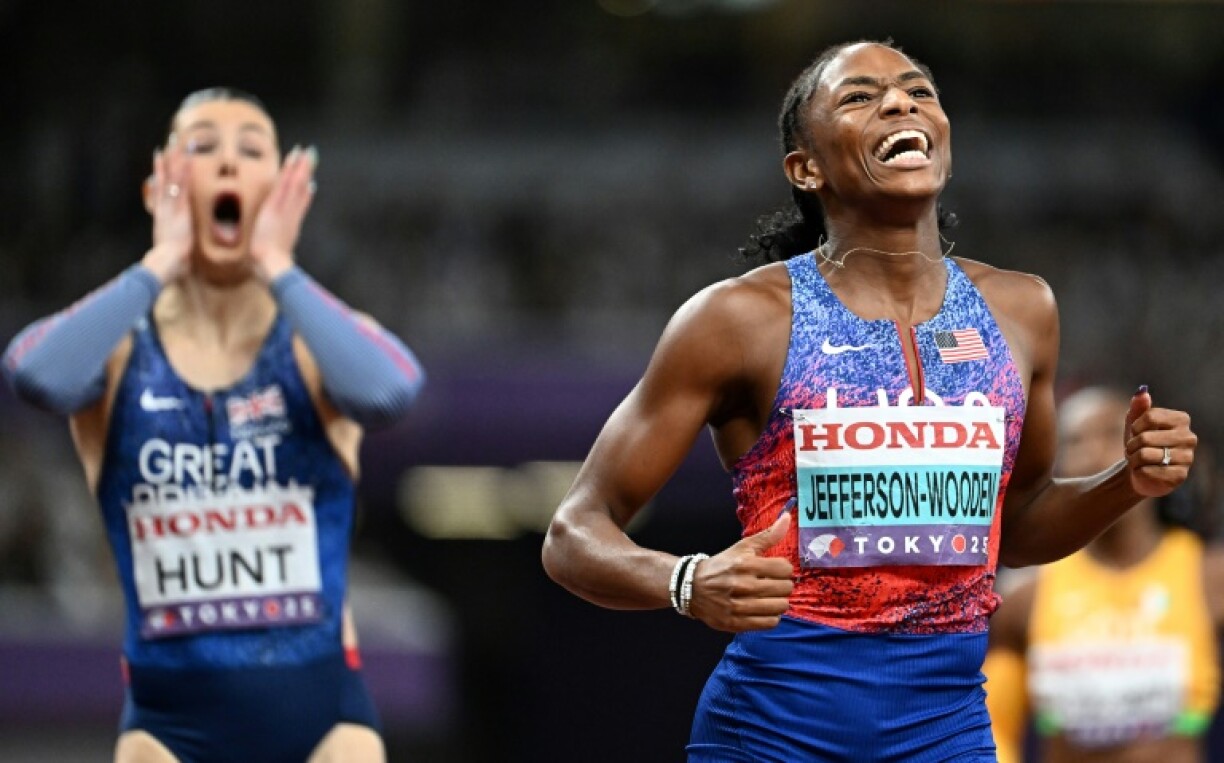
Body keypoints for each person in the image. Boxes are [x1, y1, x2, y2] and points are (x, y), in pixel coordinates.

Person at [540, 40, 1197, 762]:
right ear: (806, 167)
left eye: (919, 91)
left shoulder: (1021, 308)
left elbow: (1017, 525)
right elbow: (573, 531)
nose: (898, 102)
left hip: (945, 732)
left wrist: (1124, 481)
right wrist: (687, 581)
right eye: (859, 96)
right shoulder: (738, 320)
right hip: (771, 734)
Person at [2, 87, 425, 763]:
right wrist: (159, 262)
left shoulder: (317, 348)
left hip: (325, 725)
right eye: (202, 147)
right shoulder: (116, 353)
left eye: (251, 148)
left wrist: (279, 267)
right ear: (161, 186)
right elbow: (35, 375)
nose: (228, 163)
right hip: (168, 730)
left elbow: (391, 390)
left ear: (287, 189)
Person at [984, 386, 1224, 763]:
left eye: (1112, 434)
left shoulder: (1209, 578)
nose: (1095, 453)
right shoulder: (1025, 597)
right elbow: (995, 729)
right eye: (1076, 441)